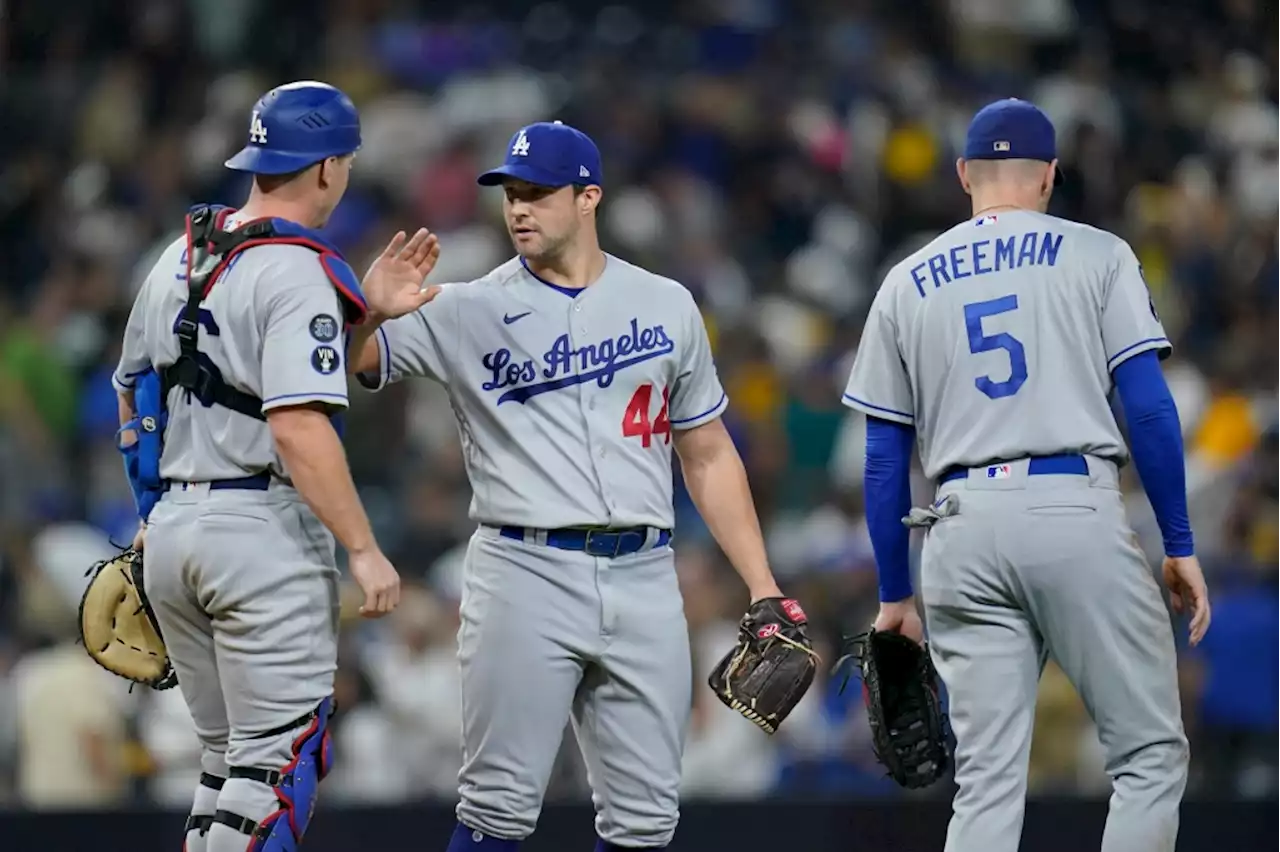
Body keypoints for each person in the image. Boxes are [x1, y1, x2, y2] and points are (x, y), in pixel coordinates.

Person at [348, 120, 801, 852]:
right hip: (522, 568)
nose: (519, 208)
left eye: (538, 194)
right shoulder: (466, 307)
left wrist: (760, 584)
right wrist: (365, 311)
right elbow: (346, 366)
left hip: (646, 573)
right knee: (496, 810)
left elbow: (709, 453)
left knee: (647, 823)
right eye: (511, 194)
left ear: (588, 197)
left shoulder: (665, 304)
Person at [841, 98, 1212, 852]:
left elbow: (885, 458)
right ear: (1049, 176)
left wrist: (893, 594)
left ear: (963, 175)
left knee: (985, 785)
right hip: (1069, 506)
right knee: (1147, 757)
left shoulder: (906, 281)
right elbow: (1146, 408)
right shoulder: (1097, 253)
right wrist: (1178, 541)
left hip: (960, 524)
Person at [111, 80, 437, 852]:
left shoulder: (179, 253)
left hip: (177, 534)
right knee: (276, 772)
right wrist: (362, 547)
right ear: (326, 167)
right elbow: (296, 427)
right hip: (258, 535)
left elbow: (135, 400)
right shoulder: (294, 270)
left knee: (226, 771)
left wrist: (153, 515)